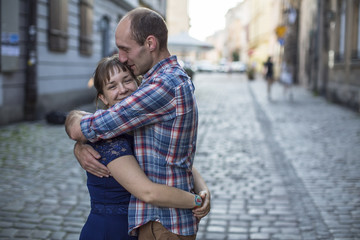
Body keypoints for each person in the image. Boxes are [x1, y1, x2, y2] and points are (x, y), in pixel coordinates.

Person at [65, 7, 210, 240]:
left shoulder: (162, 86)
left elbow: (86, 127)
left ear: (150, 43)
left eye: (125, 49)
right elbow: (171, 157)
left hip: (163, 223)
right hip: (147, 224)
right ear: (102, 96)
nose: (122, 57)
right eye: (112, 86)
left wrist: (197, 197)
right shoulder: (160, 85)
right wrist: (80, 146)